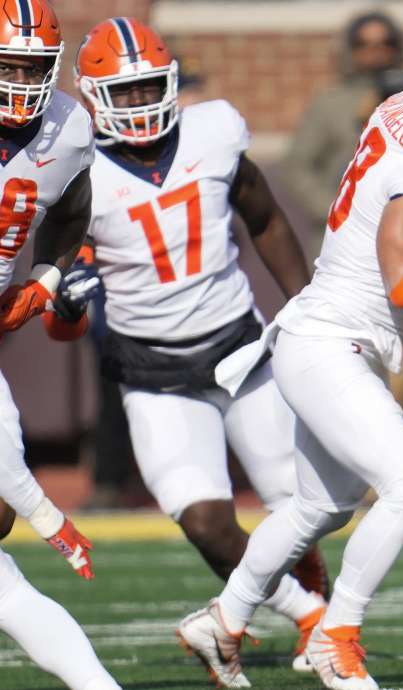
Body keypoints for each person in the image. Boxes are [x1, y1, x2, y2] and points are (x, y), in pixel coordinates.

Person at [176, 27, 403, 690]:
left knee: (320, 506)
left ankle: (222, 621)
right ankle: (336, 635)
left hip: (328, 332)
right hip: (331, 339)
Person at [72, 17, 329, 671]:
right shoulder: (74, 169)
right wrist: (64, 298)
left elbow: (264, 215)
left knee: (297, 505)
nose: (137, 102)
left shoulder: (212, 133)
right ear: (92, 95)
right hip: (152, 370)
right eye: (122, 91)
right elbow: (59, 305)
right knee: (207, 523)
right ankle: (317, 618)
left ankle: (314, 615)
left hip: (239, 349)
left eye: (148, 86)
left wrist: (304, 305)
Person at [0, 1, 120, 688]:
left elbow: (71, 212)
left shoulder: (68, 128)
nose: (20, 82)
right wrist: (56, 524)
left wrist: (43, 282)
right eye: (7, 65)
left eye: (32, 67)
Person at [280, 11, 403, 257]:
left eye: (385, 43)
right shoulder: (330, 102)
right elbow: (297, 165)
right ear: (350, 49)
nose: (376, 52)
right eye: (364, 44)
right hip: (341, 241)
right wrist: (333, 210)